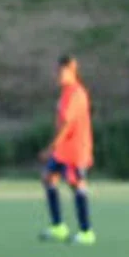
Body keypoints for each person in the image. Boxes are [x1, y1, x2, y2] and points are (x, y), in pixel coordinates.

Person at [39, 55, 96, 245]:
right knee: (48, 177)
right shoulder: (66, 92)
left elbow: (66, 123)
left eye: (60, 71)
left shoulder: (76, 93)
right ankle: (58, 227)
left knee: (76, 185)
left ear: (71, 71)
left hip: (74, 150)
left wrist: (51, 146)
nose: (57, 75)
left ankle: (86, 231)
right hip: (63, 150)